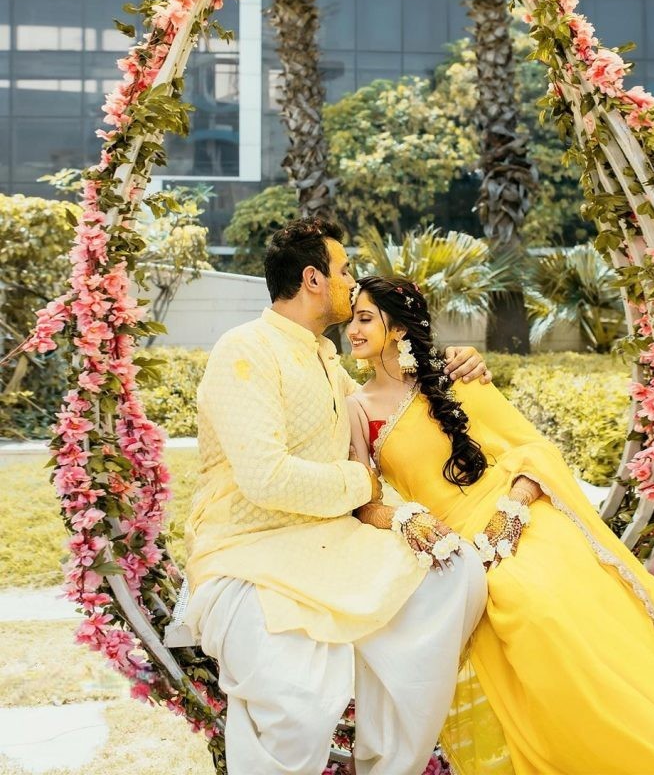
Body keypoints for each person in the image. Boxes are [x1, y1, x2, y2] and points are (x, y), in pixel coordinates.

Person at [347, 275, 654, 775]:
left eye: (364, 317)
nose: (352, 329)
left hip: (523, 516)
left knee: (573, 607)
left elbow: (530, 448)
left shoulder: (454, 373)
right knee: (527, 612)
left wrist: (514, 510)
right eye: (353, 318)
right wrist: (405, 519)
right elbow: (362, 501)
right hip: (462, 547)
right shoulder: (358, 408)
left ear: (397, 327)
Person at [180, 219, 490, 775]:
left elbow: (391, 407)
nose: (352, 283)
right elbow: (268, 478)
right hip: (248, 550)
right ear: (313, 279)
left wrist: (455, 367)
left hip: (326, 542)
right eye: (344, 271)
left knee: (453, 571)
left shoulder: (323, 357)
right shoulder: (245, 349)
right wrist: (361, 486)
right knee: (299, 699)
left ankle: (388, 764)